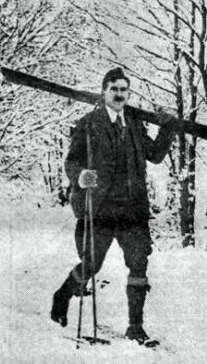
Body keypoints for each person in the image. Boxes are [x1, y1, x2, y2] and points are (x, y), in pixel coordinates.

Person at [50, 68, 176, 346]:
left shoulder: (133, 124)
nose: (119, 95)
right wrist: (81, 176)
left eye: (124, 90)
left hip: (132, 209)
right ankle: (62, 295)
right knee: (92, 263)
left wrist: (168, 128)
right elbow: (72, 161)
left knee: (139, 262)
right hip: (100, 207)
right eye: (114, 89)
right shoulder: (89, 123)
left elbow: (154, 155)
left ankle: (135, 326)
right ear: (104, 91)